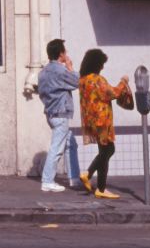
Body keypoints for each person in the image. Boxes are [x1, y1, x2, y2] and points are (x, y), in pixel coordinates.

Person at [78, 47, 129, 199]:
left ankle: (101, 188)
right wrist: (123, 81)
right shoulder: (97, 79)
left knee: (104, 152)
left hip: (90, 121)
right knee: (109, 150)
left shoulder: (83, 80)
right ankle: (88, 173)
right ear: (96, 64)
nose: (102, 67)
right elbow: (113, 93)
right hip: (102, 120)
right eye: (101, 64)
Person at [37, 37, 81, 192]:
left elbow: (41, 93)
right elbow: (77, 82)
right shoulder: (60, 70)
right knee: (57, 148)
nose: (66, 53)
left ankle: (74, 178)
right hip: (61, 114)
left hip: (51, 113)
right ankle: (47, 181)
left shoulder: (43, 72)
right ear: (61, 54)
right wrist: (70, 67)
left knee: (70, 143)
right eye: (64, 51)